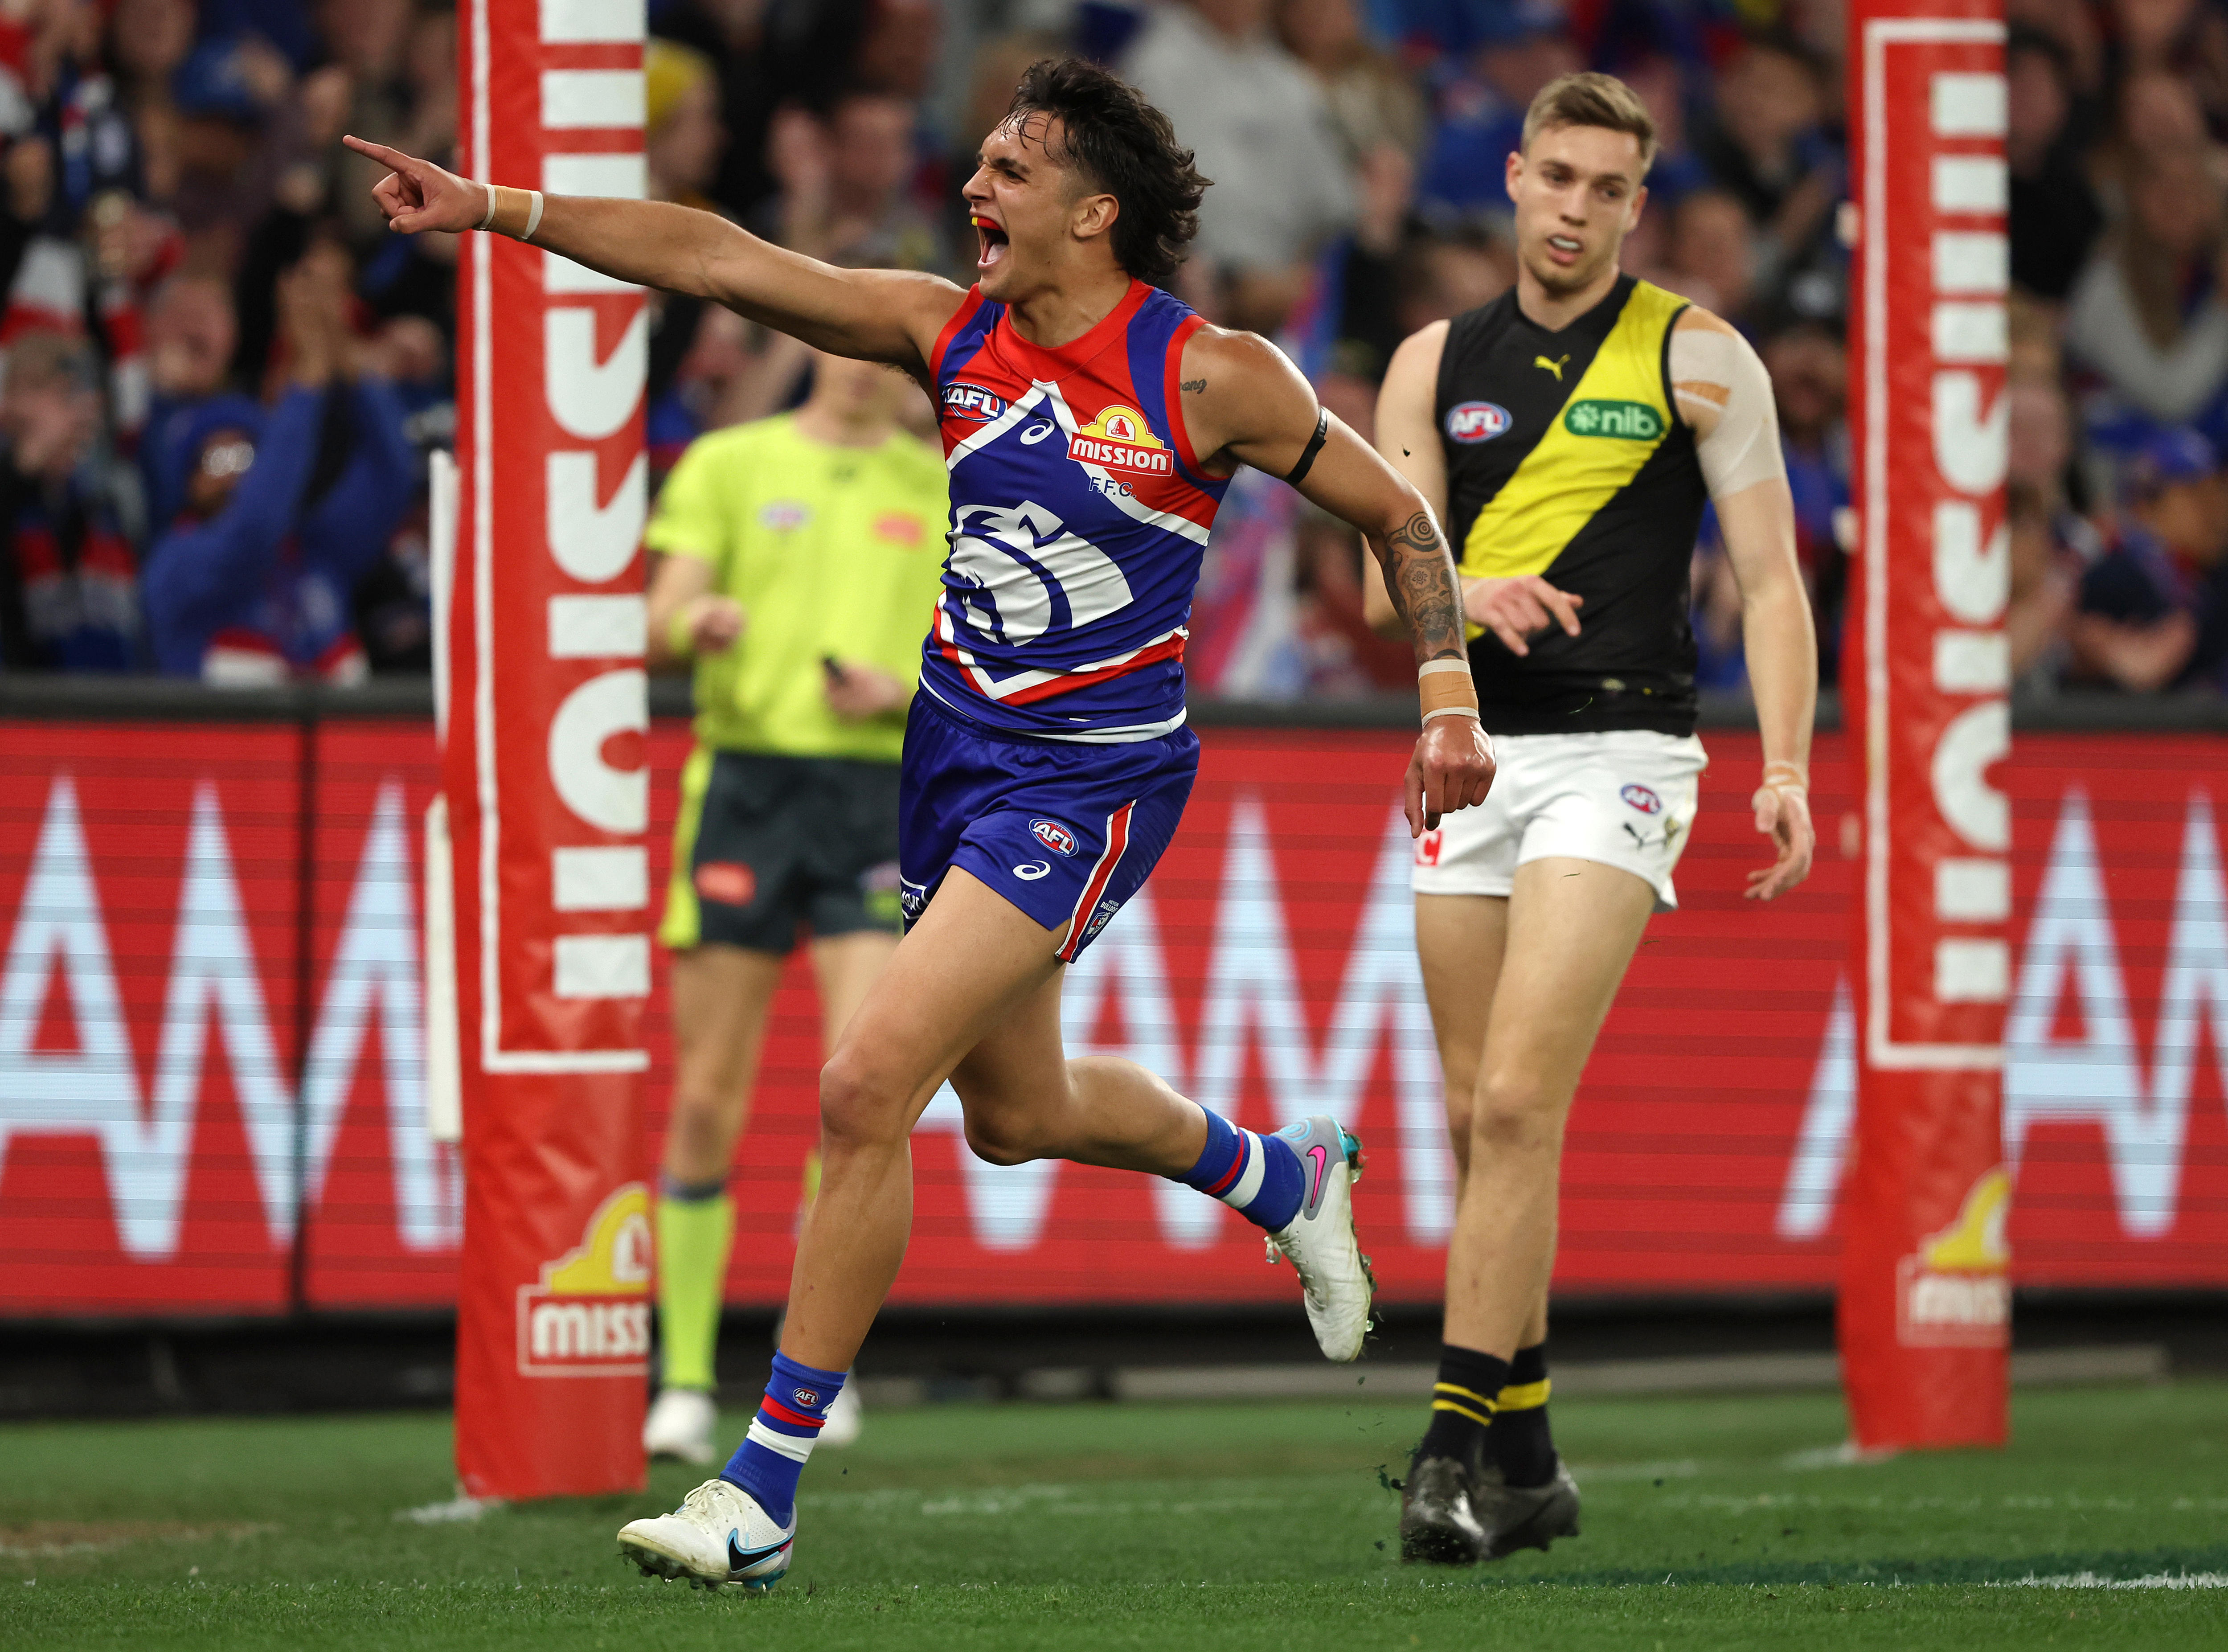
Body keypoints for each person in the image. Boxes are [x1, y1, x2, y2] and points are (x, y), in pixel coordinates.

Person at [346, 52, 1493, 1593]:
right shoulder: (945, 329)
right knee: (1013, 1114)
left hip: (1091, 783)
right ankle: (1282, 1177)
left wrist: (1445, 696)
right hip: (949, 755)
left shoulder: (1210, 373)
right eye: (980, 167)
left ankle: (759, 1489)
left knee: (862, 1078)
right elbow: (718, 257)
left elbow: (1400, 515)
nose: (975, 190)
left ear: (1096, 212)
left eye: (1009, 172)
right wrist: (495, 206)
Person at [1363, 71, 1817, 1565]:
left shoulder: (1700, 357)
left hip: (1623, 749)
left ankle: (1446, 1455)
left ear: (1638, 200)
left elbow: (1771, 580)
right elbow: (1381, 586)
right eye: (1555, 177)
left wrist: (1789, 764)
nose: (1574, 207)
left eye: (1606, 188)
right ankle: (1539, 1452)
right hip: (1468, 753)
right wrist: (1467, 590)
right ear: (1512, 176)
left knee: (1513, 1106)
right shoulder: (1431, 361)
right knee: (1467, 1116)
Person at [638, 346, 949, 1468]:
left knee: (858, 1088)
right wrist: (697, 623)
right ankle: (678, 1379)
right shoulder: (730, 462)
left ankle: (814, 1365)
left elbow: (975, 664)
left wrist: (902, 691)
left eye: (881, 356)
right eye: (842, 346)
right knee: (707, 1095)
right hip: (747, 786)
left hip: (871, 795)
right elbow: (653, 621)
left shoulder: (939, 483)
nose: (859, 371)